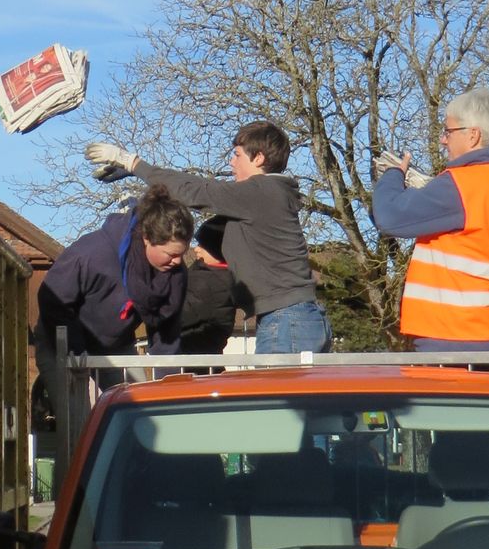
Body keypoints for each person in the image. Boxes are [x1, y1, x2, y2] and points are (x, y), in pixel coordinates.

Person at [85, 122, 332, 354]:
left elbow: (195, 190)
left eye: (237, 155)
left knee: (278, 388)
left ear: (258, 158)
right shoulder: (269, 195)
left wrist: (134, 164)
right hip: (294, 318)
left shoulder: (260, 191)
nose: (232, 162)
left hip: (287, 321)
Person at [370, 87, 489, 352]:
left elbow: (389, 216)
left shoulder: (459, 186)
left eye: (448, 132)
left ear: (473, 135)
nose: (443, 140)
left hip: (450, 339)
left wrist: (393, 175)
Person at [33, 185, 193, 404]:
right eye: (171, 254)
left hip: (116, 345)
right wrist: (77, 353)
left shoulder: (174, 275)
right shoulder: (91, 254)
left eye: (182, 253)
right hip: (62, 342)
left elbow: (167, 332)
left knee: (138, 410)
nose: (178, 261)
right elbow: (53, 301)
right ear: (147, 238)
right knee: (81, 415)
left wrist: (168, 389)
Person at [176, 218, 238, 355]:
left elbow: (179, 314)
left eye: (202, 245)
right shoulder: (212, 275)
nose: (196, 249)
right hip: (200, 354)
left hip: (193, 357)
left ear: (217, 250)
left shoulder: (210, 282)